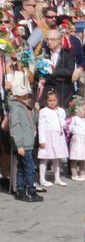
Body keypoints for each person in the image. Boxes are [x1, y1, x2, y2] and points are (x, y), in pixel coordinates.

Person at [6, 73, 40, 202]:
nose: (27, 98)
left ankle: (20, 190)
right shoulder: (16, 109)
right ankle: (30, 190)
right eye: (25, 96)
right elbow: (15, 128)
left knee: (21, 168)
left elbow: (32, 123)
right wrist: (19, 145)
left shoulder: (23, 107)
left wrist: (36, 111)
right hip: (23, 144)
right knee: (30, 168)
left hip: (27, 143)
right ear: (19, 97)